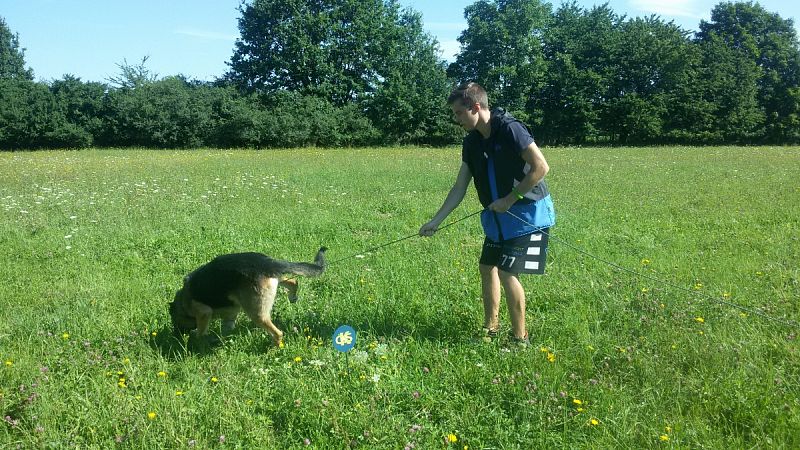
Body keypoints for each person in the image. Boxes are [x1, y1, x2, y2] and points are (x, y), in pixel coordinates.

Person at [419, 82, 555, 346]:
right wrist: (435, 221)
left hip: (527, 215)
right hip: (498, 219)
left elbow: (541, 167)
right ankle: (490, 330)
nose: (456, 119)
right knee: (486, 267)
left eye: (459, 113)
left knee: (506, 272)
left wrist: (510, 199)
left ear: (476, 107)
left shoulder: (510, 129)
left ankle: (520, 340)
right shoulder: (471, 143)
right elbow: (460, 187)